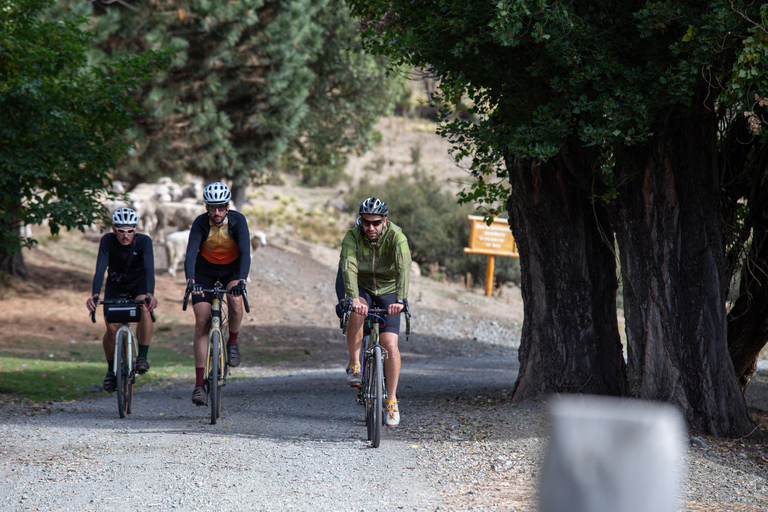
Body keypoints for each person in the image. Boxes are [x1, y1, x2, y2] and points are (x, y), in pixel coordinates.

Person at [339, 197, 412, 427]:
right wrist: (353, 297)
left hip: (389, 289)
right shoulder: (352, 236)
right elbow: (348, 266)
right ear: (360, 221)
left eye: (376, 223)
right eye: (366, 222)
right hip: (361, 284)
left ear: (385, 221)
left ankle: (391, 401)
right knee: (357, 310)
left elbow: (403, 267)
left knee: (390, 344)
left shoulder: (397, 237)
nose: (371, 227)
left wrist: (400, 299)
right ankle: (355, 364)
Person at [184, 182, 251, 406]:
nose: (217, 213)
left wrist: (241, 279)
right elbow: (191, 253)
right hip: (205, 272)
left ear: (227, 206)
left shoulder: (238, 220)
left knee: (235, 301)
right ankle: (199, 385)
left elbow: (245, 252)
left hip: (231, 269)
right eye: (212, 208)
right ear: (206, 207)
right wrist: (191, 281)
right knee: (202, 321)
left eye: (221, 207)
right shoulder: (200, 223)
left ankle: (232, 341)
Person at [86, 207, 159, 392]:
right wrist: (95, 294)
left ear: (135, 229)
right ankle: (111, 371)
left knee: (144, 308)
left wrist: (150, 293)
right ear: (114, 229)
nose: (125, 235)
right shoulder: (107, 241)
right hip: (115, 285)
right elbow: (100, 269)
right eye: (121, 231)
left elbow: (149, 269)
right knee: (111, 329)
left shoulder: (144, 241)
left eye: (130, 231)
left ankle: (142, 356)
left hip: (139, 285)